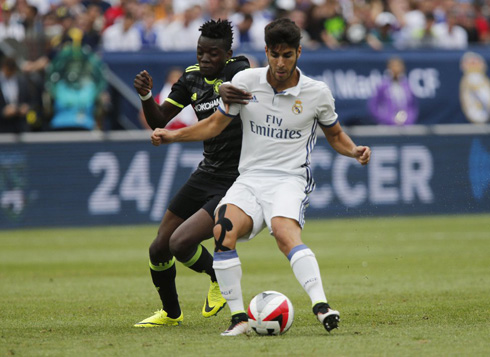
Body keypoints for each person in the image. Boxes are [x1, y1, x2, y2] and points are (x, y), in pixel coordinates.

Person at [151, 18, 371, 336]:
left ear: (298, 53)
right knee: (222, 228)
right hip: (249, 178)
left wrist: (354, 152)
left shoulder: (316, 93)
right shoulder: (246, 82)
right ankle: (239, 317)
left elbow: (335, 135)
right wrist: (173, 136)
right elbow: (214, 124)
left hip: (289, 179)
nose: (280, 63)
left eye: (288, 56)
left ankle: (322, 305)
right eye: (275, 55)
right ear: (266, 51)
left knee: (283, 232)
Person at [132, 19, 250, 327]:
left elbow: (239, 81)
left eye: (213, 53)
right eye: (200, 52)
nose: (205, 59)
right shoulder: (190, 79)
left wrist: (226, 86)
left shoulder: (239, 67)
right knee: (159, 247)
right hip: (207, 171)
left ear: (227, 53)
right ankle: (171, 314)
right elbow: (159, 119)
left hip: (236, 178)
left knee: (180, 243)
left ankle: (217, 279)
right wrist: (146, 96)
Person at [368, 56, 418, 125]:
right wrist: (386, 119)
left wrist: (408, 119)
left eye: (398, 66)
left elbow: (413, 106)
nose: (396, 69)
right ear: (389, 68)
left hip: (406, 126)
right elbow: (373, 106)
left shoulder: (407, 86)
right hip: (387, 125)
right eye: (393, 66)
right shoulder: (383, 86)